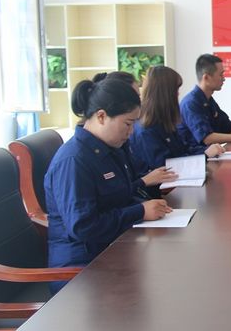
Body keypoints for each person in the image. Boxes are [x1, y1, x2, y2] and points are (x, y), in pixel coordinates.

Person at [44, 76, 173, 292]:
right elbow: (84, 227)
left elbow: (120, 194)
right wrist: (140, 212)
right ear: (101, 116)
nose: (131, 132)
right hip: (81, 269)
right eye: (128, 124)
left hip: (113, 248)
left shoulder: (111, 149)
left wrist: (148, 206)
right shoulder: (74, 161)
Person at [129, 66, 226, 173]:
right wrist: (205, 154)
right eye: (176, 90)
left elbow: (184, 150)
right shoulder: (145, 130)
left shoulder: (164, 122)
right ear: (165, 94)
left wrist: (206, 150)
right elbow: (164, 167)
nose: (178, 94)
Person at [178, 54, 231, 147]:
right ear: (206, 78)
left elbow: (228, 126)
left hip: (211, 152)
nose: (224, 79)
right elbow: (207, 138)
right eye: (221, 75)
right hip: (196, 154)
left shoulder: (208, 100)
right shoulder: (191, 103)